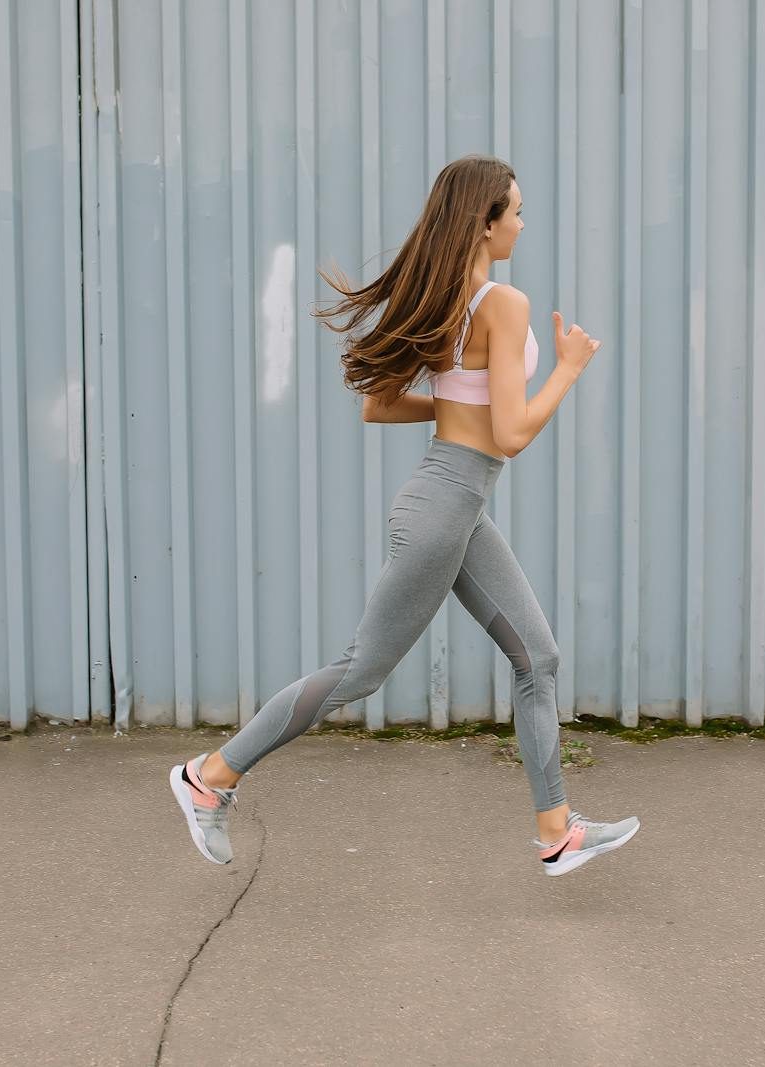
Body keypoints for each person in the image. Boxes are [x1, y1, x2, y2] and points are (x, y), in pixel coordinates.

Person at [168, 155, 639, 877]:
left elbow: (381, 406)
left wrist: (458, 407)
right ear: (485, 223)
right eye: (514, 211)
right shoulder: (502, 303)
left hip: (455, 504)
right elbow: (511, 432)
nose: (522, 223)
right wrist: (568, 368)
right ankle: (210, 776)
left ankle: (557, 832)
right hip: (443, 508)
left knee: (537, 657)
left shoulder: (445, 297)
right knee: (360, 670)